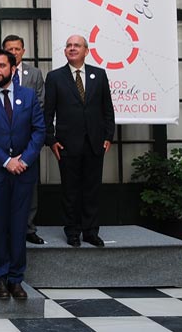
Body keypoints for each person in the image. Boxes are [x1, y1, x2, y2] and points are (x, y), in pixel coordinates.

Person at [0, 48, 45, 300]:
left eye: (1, 66)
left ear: (13, 69)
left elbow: (39, 131)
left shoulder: (29, 95)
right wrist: (6, 161)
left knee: (18, 226)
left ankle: (16, 279)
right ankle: (0, 278)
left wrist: (23, 160)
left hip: (23, 172)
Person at [44, 34, 115, 248]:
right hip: (67, 145)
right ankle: (73, 232)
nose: (72, 48)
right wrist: (51, 140)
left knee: (92, 190)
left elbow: (107, 110)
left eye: (77, 45)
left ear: (86, 50)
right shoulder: (55, 77)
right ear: (65, 51)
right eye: (68, 45)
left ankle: (91, 232)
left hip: (95, 143)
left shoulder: (99, 75)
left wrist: (108, 137)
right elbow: (48, 113)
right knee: (70, 191)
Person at [0, 34, 46, 245]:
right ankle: (8, 228)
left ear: (23, 51)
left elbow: (40, 103)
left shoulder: (34, 73)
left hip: (28, 141)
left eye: (17, 49)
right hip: (3, 146)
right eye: (9, 49)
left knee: (29, 188)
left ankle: (29, 228)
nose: (13, 52)